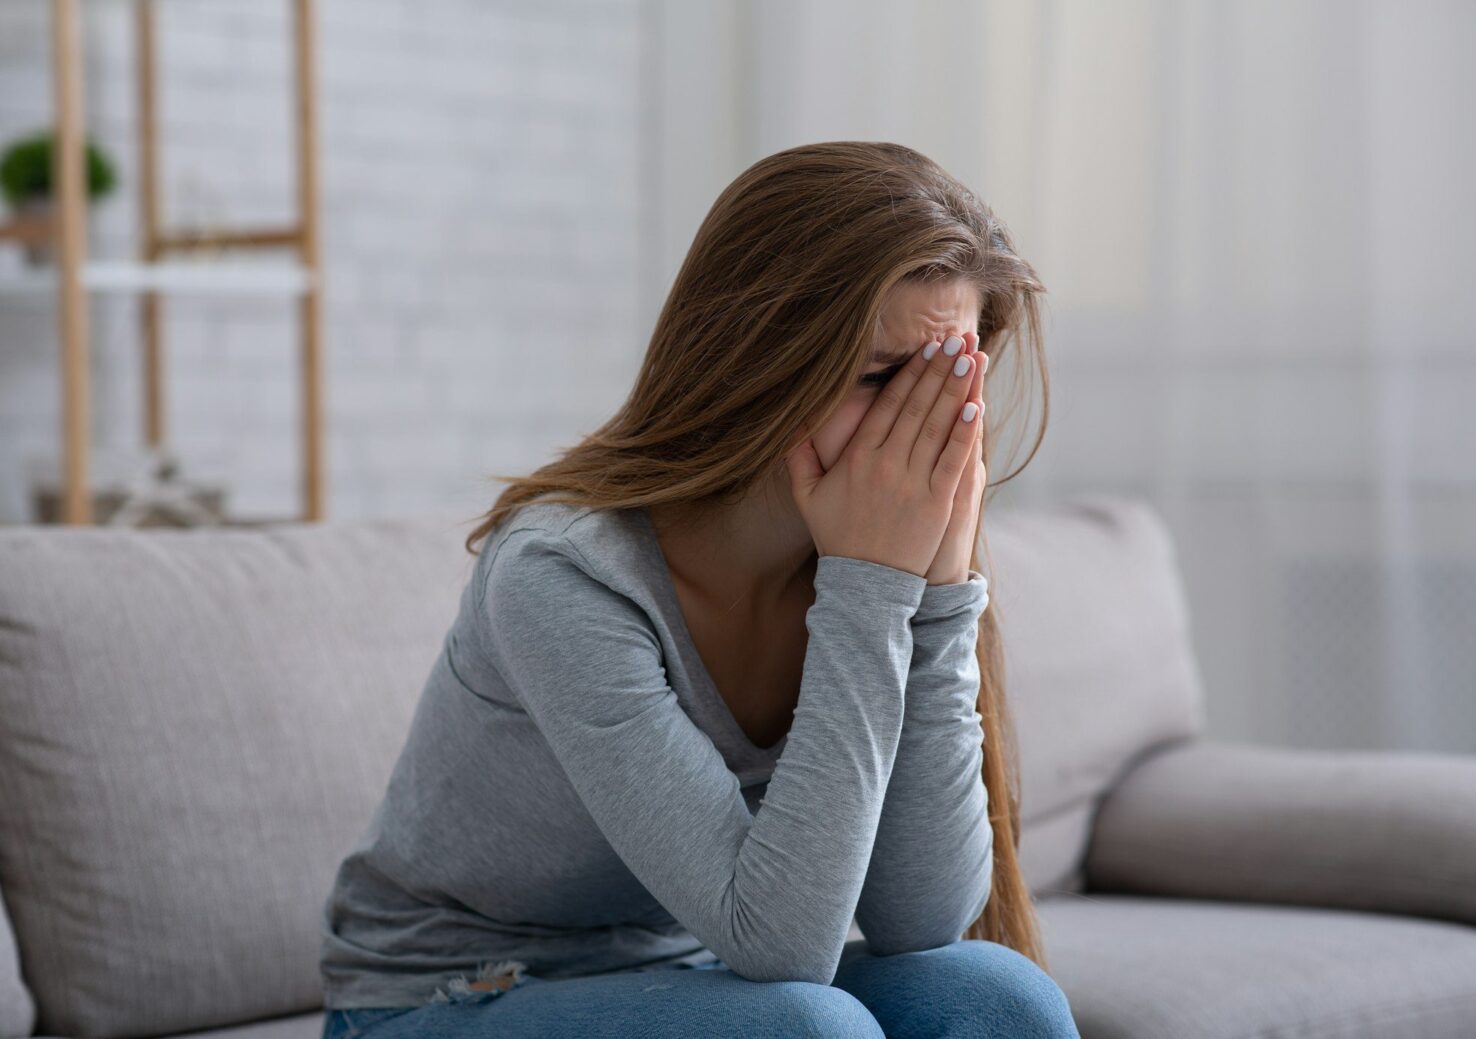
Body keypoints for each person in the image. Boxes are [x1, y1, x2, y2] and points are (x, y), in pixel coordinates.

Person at [319, 140, 1077, 1037]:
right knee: (808, 1029)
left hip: (690, 976)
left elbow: (922, 919)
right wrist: (871, 590)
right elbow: (785, 947)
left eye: (949, 383)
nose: (921, 431)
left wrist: (939, 596)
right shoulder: (563, 573)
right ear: (757, 360)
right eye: (881, 377)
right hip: (445, 994)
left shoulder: (863, 555)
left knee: (999, 996)